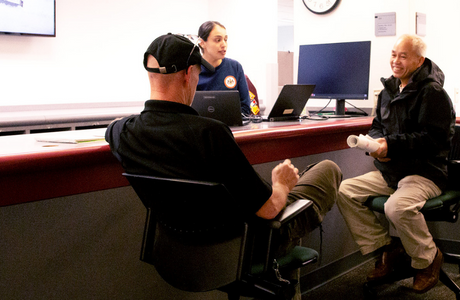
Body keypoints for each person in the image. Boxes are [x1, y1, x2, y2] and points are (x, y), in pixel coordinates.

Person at [105, 33, 341, 296]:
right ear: (188, 74)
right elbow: (268, 210)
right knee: (326, 170)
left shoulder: (123, 132)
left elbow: (113, 126)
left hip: (174, 244)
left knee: (299, 185)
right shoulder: (210, 134)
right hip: (241, 244)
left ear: (150, 74)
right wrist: (281, 185)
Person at [336, 34, 455, 293]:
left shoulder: (433, 93)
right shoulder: (388, 91)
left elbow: (434, 139)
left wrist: (392, 145)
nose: (395, 61)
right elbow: (378, 127)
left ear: (419, 60)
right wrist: (376, 147)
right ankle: (388, 250)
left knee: (396, 208)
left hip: (425, 172)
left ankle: (427, 259)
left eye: (403, 56)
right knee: (345, 191)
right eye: (393, 54)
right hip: (392, 171)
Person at [196, 21, 252, 116]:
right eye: (218, 40)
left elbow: (245, 107)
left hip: (230, 126)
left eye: (225, 40)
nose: (224, 45)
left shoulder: (235, 67)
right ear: (202, 43)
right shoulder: (192, 69)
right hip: (200, 126)